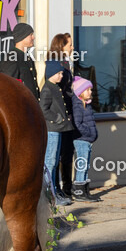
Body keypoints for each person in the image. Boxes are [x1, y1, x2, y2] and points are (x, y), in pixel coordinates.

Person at [39, 60, 73, 207]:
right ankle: (50, 197)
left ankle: (52, 195)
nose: (61, 76)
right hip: (52, 130)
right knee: (50, 164)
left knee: (53, 164)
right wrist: (57, 118)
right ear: (52, 73)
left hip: (58, 129)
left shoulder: (55, 87)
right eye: (59, 73)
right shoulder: (48, 88)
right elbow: (43, 109)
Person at [49, 33, 77, 200]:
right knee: (57, 153)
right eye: (70, 45)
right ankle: (57, 188)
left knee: (66, 151)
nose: (72, 48)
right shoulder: (56, 64)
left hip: (68, 112)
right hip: (61, 113)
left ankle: (66, 187)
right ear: (62, 46)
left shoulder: (66, 63)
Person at [70, 76, 100, 203]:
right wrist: (88, 133)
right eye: (88, 90)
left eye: (91, 90)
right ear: (80, 92)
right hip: (81, 140)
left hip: (87, 140)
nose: (91, 92)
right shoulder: (78, 106)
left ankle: (85, 190)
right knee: (82, 164)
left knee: (86, 165)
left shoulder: (86, 105)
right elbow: (77, 123)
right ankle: (79, 191)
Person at [0, 22, 39, 100]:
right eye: (30, 35)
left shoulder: (27, 57)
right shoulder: (12, 57)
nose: (33, 37)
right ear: (22, 37)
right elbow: (8, 86)